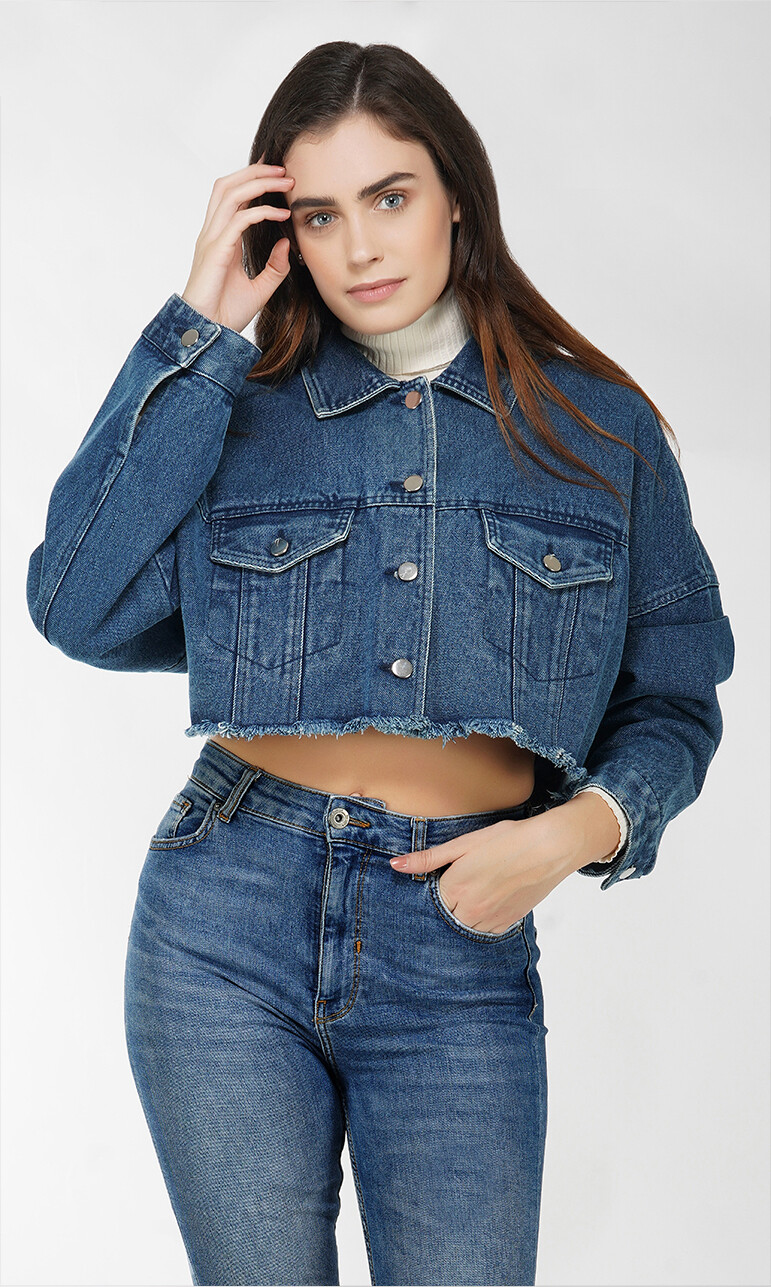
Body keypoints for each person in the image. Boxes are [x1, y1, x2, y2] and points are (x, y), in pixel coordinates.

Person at [25, 40, 735, 1287]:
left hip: (459, 936)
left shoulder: (600, 433)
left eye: (390, 197)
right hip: (222, 920)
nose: (360, 247)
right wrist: (197, 331)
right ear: (281, 232)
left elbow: (674, 696)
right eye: (319, 214)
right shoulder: (239, 409)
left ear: (457, 193)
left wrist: (572, 836)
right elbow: (76, 606)